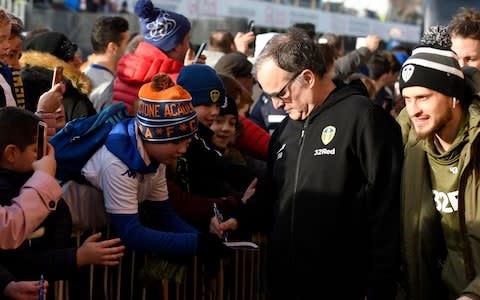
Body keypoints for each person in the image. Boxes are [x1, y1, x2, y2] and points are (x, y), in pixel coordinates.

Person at [217, 28, 404, 299]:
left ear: (307, 78)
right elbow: (273, 192)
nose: (276, 105)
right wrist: (238, 219)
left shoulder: (364, 119)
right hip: (285, 284)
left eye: (280, 93)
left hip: (345, 286)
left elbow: (387, 210)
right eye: (268, 95)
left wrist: (379, 288)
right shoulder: (286, 130)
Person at [82, 73, 227, 258]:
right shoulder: (117, 164)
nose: (183, 150)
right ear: (153, 135)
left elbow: (164, 215)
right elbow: (131, 234)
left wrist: (201, 239)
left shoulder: (156, 157)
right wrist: (196, 243)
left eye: (188, 142)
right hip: (81, 238)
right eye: (177, 142)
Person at [398, 44, 480, 299]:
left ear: (453, 96)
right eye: (407, 99)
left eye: (423, 97)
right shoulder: (409, 145)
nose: (414, 111)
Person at [113, 0, 194, 115]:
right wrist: (192, 75)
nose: (189, 46)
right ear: (175, 46)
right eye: (187, 41)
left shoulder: (123, 72)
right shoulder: (177, 81)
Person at [83, 16, 130, 111]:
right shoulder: (106, 86)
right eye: (127, 43)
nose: (130, 50)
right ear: (112, 47)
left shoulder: (87, 74)